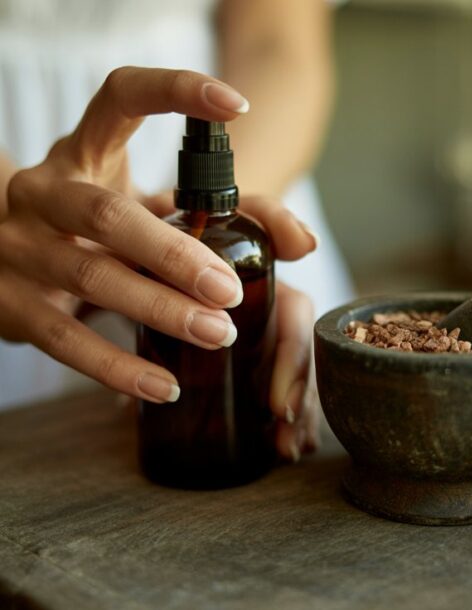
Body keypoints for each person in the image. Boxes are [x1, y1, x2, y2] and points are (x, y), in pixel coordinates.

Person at [0, 0, 354, 461]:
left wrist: (185, 253)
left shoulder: (240, 237)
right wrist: (8, 209)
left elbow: (276, 42)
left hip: (253, 154)